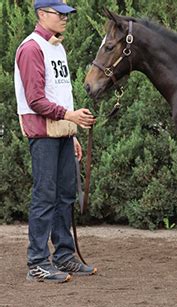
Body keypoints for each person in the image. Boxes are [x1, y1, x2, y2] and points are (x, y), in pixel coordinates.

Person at [14, 0, 97, 283]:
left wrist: (70, 131)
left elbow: (59, 93)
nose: (65, 19)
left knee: (65, 196)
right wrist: (71, 116)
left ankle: (64, 256)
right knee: (45, 196)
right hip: (43, 134)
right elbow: (36, 99)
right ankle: (37, 262)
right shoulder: (31, 48)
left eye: (66, 14)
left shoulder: (56, 47)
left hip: (61, 133)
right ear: (41, 14)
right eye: (59, 14)